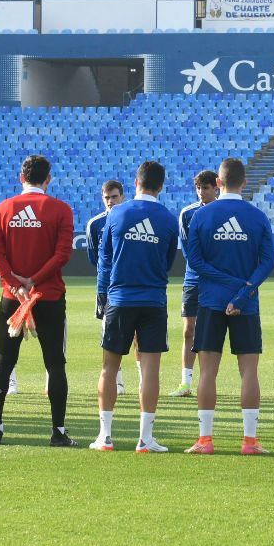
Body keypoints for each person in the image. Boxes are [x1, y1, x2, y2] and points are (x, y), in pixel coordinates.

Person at [183, 157, 274, 455]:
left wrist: (224, 281)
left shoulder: (201, 216)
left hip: (210, 301)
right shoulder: (258, 216)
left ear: (218, 183)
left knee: (208, 371)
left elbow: (195, 262)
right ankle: (249, 441)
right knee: (249, 372)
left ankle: (205, 440)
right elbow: (267, 263)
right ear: (244, 182)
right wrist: (243, 288)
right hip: (246, 303)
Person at [0, 154, 75, 447]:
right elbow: (62, 255)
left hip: (12, 300)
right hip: (48, 297)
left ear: (21, 177)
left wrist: (16, 283)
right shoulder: (61, 210)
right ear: (48, 179)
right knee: (55, 364)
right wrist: (34, 280)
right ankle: (58, 432)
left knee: (3, 360)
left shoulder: (2, 209)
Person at [93, 160, 176, 453]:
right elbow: (167, 261)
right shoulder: (168, 218)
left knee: (109, 367)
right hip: (153, 300)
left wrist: (102, 295)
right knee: (150, 370)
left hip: (119, 299)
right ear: (161, 186)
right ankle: (145, 439)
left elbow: (105, 260)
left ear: (136, 182)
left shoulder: (116, 213)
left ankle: (105, 436)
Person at [171, 169, 220, 399]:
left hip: (217, 281)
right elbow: (189, 251)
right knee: (188, 330)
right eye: (199, 188)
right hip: (193, 279)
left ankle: (207, 382)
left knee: (212, 332)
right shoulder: (187, 214)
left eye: (206, 188)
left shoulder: (223, 212)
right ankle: (185, 382)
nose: (202, 192)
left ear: (216, 187)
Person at [84, 180, 132, 395]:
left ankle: (142, 382)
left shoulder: (132, 218)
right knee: (110, 334)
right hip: (107, 288)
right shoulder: (95, 224)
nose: (111, 201)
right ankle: (117, 382)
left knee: (139, 337)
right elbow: (96, 258)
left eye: (114, 196)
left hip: (130, 285)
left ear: (122, 196)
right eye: (107, 198)